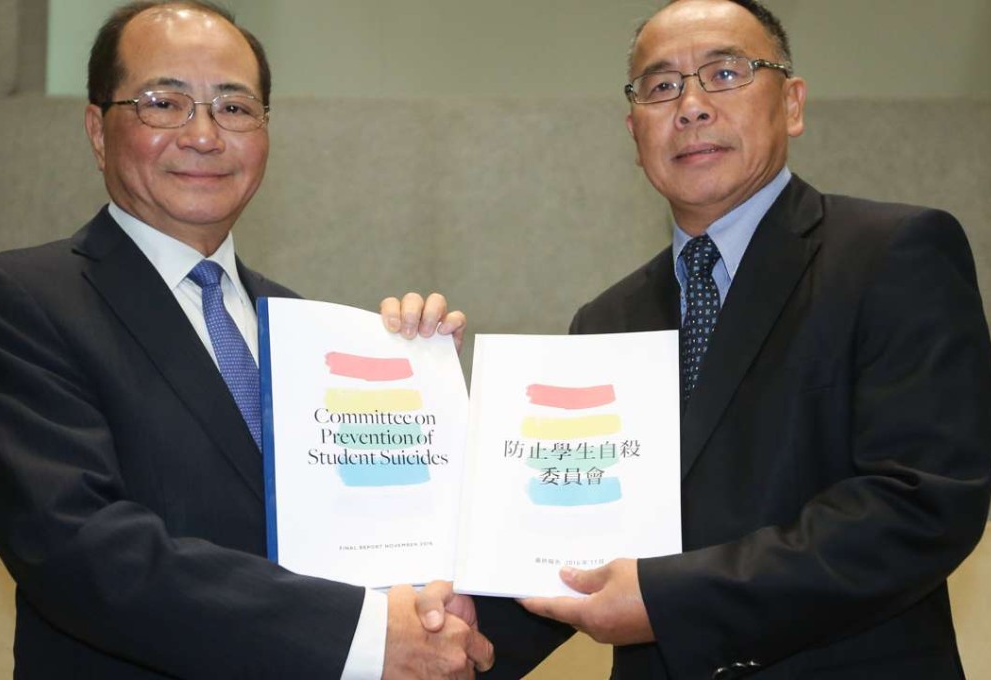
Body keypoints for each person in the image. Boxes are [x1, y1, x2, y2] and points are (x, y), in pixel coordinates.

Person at [422, 0, 991, 678]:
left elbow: (920, 504)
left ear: (793, 104)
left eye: (726, 73)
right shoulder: (607, 320)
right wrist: (465, 630)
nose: (690, 106)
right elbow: (579, 541)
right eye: (661, 87)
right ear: (635, 133)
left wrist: (668, 599)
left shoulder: (894, 255)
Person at [0, 1, 492, 678]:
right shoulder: (19, 302)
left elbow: (350, 543)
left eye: (236, 108)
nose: (205, 135)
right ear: (99, 130)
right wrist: (364, 637)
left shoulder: (306, 327)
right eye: (165, 102)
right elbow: (82, 550)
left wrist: (424, 401)